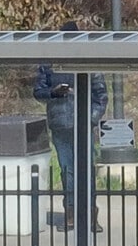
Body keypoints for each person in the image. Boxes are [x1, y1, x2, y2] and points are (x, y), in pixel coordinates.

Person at [34, 23, 107, 233]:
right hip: (60, 124)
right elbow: (38, 91)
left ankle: (91, 213)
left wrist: (90, 120)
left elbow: (101, 97)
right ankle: (71, 212)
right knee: (67, 170)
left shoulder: (89, 61)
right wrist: (54, 93)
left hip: (83, 124)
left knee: (87, 170)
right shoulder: (49, 62)